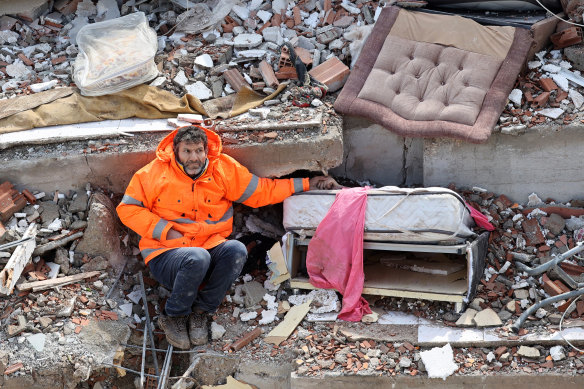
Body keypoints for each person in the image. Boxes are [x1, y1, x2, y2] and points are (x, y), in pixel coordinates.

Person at [117, 125, 339, 349]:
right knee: (197, 257)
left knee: (236, 251)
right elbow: (127, 209)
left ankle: (201, 312)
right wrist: (165, 230)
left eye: (198, 151)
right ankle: (174, 316)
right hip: (166, 254)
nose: (194, 158)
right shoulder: (153, 173)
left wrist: (309, 184)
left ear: (206, 151)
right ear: (176, 151)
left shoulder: (222, 169)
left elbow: (262, 192)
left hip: (208, 249)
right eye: (187, 151)